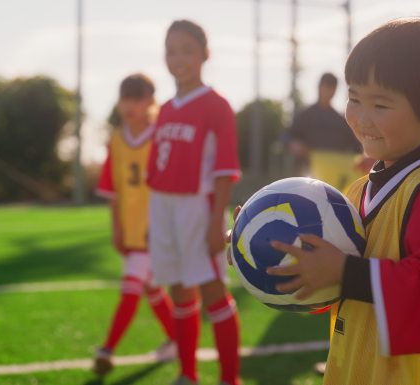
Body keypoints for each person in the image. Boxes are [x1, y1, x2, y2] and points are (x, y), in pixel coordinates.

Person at [266, 18, 420, 384]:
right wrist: (263, 248)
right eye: (353, 99)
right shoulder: (357, 189)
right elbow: (334, 285)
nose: (361, 118)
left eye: (380, 104)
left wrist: (346, 272)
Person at [146, 20, 241, 385]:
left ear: (205, 55)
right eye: (171, 51)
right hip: (163, 206)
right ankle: (188, 373)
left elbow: (224, 170)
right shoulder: (166, 108)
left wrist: (217, 223)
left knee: (212, 290)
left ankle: (229, 378)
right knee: (178, 289)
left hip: (198, 207)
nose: (178, 58)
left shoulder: (217, 106)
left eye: (187, 50)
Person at [93, 73, 175, 376]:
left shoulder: (160, 136)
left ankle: (107, 348)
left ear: (150, 101)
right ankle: (178, 339)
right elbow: (113, 192)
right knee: (152, 289)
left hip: (156, 230)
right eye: (125, 98)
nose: (129, 105)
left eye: (136, 99)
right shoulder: (116, 139)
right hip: (130, 230)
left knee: (131, 286)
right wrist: (116, 229)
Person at [288, 72, 362, 191]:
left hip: (334, 178)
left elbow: (356, 145)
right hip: (307, 174)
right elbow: (288, 135)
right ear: (319, 87)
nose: (328, 91)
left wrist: (363, 158)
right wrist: (294, 144)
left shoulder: (340, 120)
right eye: (325, 87)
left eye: (331, 88)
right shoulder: (305, 115)